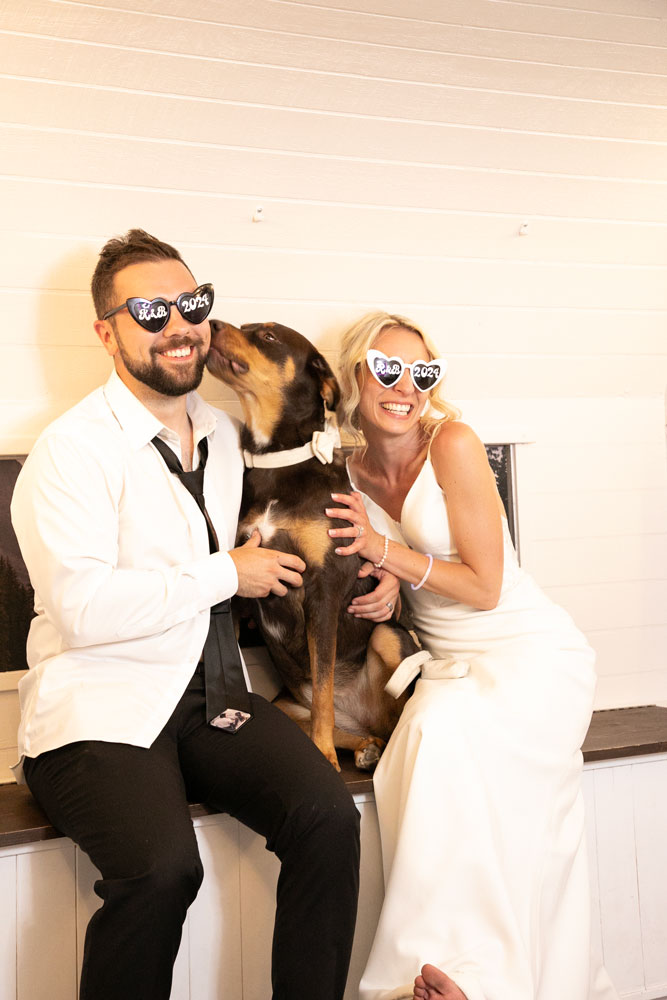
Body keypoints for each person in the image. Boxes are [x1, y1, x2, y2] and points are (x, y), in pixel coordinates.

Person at [10, 229, 365, 1000]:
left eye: (192, 302)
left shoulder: (227, 437)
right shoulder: (71, 452)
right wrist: (223, 573)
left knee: (330, 821)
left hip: (211, 700)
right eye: (148, 309)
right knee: (163, 870)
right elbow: (79, 609)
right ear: (107, 331)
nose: (178, 324)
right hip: (98, 712)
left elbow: (316, 529)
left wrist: (383, 581)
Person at [326, 311, 619, 1000]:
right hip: (449, 663)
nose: (406, 387)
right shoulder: (345, 468)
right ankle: (465, 973)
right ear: (354, 375)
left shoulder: (452, 443)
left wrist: (384, 552)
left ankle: (448, 978)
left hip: (528, 654)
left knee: (436, 732)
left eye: (422, 373)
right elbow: (406, 580)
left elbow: (484, 586)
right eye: (387, 368)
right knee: (433, 752)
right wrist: (384, 595)